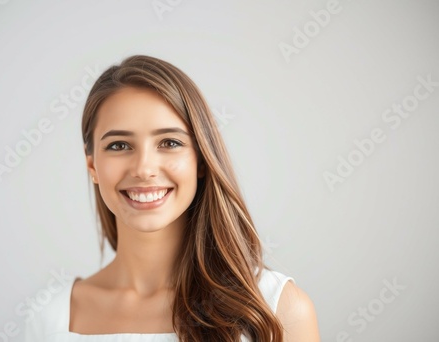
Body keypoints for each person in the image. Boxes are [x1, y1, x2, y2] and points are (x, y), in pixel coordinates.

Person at [24, 55, 320, 341]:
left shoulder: (275, 308)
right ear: (93, 166)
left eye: (169, 142)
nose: (144, 169)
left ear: (201, 160)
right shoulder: (50, 318)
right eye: (119, 145)